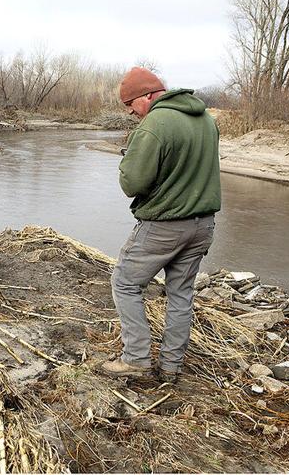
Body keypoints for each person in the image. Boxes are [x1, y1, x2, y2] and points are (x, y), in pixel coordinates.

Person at [101, 67, 221, 383]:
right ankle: (170, 367)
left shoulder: (155, 124)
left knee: (125, 283)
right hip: (203, 225)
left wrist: (128, 157)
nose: (129, 110)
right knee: (181, 294)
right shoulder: (206, 119)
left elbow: (133, 182)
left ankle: (137, 359)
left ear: (149, 95)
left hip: (165, 225)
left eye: (130, 103)